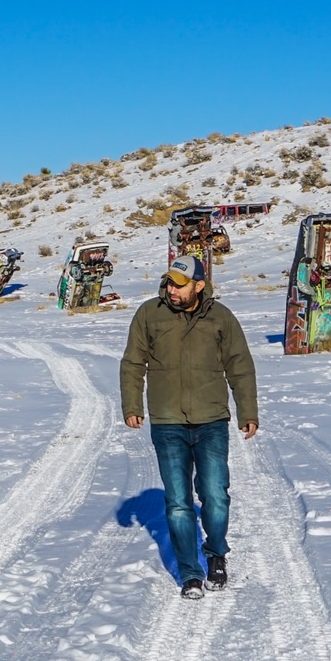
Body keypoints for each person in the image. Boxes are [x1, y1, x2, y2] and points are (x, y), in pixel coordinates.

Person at [119, 252, 258, 598]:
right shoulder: (150, 315)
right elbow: (132, 363)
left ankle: (216, 556)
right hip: (167, 423)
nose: (172, 290)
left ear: (199, 285)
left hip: (211, 420)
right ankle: (190, 573)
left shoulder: (221, 318)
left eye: (180, 285)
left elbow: (240, 366)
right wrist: (132, 404)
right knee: (178, 501)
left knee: (214, 495)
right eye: (169, 283)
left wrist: (248, 412)